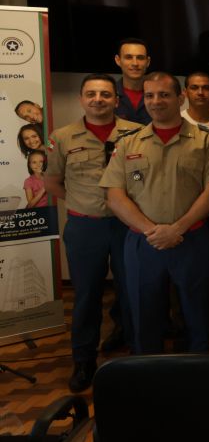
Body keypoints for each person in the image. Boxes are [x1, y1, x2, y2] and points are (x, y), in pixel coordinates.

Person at [100, 72, 209, 355]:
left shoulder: (205, 142)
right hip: (143, 242)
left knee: (197, 312)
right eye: (149, 95)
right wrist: (153, 230)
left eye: (164, 94)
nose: (156, 101)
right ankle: (148, 370)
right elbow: (114, 196)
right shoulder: (128, 143)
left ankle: (198, 367)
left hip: (191, 240)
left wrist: (176, 229)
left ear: (180, 98)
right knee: (144, 313)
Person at [44, 73, 143, 392]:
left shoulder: (136, 133)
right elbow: (52, 182)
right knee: (87, 295)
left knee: (134, 291)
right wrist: (81, 202)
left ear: (116, 100)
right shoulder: (62, 137)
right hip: (85, 227)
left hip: (129, 225)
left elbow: (143, 177)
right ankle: (84, 360)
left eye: (105, 94)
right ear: (81, 99)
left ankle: (138, 354)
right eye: (91, 94)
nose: (98, 99)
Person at [114, 38, 152, 124]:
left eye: (140, 58)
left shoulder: (160, 95)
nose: (135, 63)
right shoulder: (107, 95)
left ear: (148, 61)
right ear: (118, 60)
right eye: (128, 57)